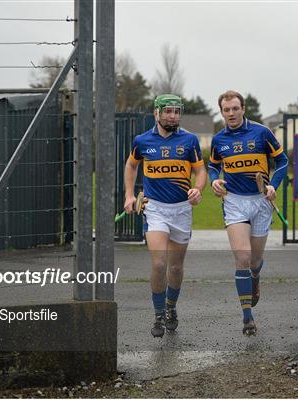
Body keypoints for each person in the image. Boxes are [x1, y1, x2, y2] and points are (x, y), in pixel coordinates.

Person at [124, 94, 207, 338]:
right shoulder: (142, 140)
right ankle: (159, 313)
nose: (173, 115)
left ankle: (171, 308)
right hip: (156, 208)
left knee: (176, 267)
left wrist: (198, 189)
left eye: (177, 111)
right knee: (159, 263)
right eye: (168, 111)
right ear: (156, 113)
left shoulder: (190, 140)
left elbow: (200, 170)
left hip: (181, 209)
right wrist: (129, 195)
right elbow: (131, 165)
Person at [208, 90, 288, 336]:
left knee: (254, 261)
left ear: (243, 109)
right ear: (222, 112)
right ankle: (247, 318)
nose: (231, 113)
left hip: (261, 201)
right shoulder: (219, 139)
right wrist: (214, 180)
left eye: (235, 108)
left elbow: (282, 161)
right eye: (226, 110)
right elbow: (213, 165)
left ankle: (255, 277)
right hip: (234, 202)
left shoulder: (262, 133)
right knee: (242, 259)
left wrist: (274, 184)